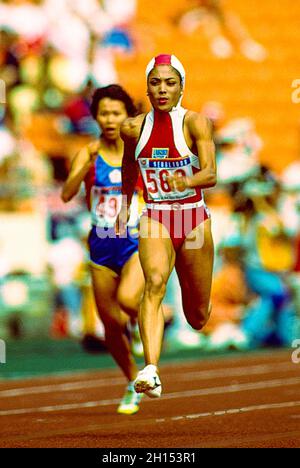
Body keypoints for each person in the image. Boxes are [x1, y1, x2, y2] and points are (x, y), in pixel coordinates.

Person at [116, 54, 216, 398]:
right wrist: (125, 204)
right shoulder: (132, 128)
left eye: (170, 83)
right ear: (146, 87)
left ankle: (191, 311)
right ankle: (151, 370)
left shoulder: (196, 123)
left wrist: (185, 180)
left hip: (192, 219)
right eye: (156, 82)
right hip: (156, 215)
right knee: (154, 282)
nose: (162, 89)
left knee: (198, 315)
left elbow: (211, 174)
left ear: (181, 87)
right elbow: (130, 168)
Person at [62, 84, 145, 415]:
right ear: (96, 116)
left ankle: (148, 322)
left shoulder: (137, 151)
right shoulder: (89, 152)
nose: (110, 119)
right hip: (100, 241)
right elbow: (67, 195)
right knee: (110, 324)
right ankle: (132, 381)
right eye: (104, 113)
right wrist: (81, 171)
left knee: (127, 300)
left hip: (135, 238)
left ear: (127, 115)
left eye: (116, 113)